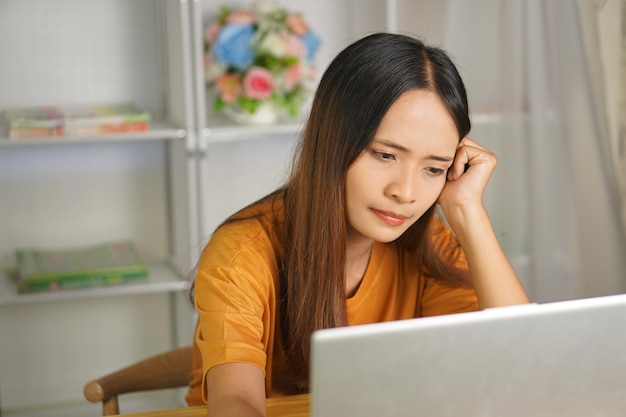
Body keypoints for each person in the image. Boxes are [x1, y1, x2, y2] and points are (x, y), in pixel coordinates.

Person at [185, 32, 529, 416]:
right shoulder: (243, 253)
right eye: (385, 155)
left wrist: (467, 211)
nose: (406, 192)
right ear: (332, 140)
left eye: (435, 168)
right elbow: (237, 402)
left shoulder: (429, 241)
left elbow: (525, 365)